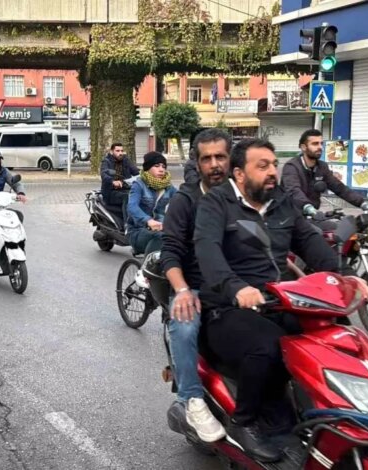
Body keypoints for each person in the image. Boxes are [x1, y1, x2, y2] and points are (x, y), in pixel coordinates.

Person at [194, 138, 368, 462]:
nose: (273, 171)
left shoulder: (281, 202)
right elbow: (208, 251)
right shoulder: (216, 204)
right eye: (263, 166)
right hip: (227, 307)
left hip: (280, 300)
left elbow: (310, 241)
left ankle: (332, 408)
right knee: (268, 344)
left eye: (274, 164)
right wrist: (236, 288)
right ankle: (243, 422)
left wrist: (345, 276)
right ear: (240, 174)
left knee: (335, 333)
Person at [160, 129, 231, 443]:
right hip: (197, 288)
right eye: (207, 158)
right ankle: (191, 400)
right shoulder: (185, 201)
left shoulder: (243, 194)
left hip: (238, 287)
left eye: (220, 157)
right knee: (185, 324)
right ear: (197, 163)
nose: (215, 164)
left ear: (231, 160)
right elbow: (170, 251)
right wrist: (183, 290)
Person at [281, 129, 366, 216]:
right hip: (290, 217)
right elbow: (294, 191)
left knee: (338, 227)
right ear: (303, 147)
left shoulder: (322, 167)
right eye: (315, 144)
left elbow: (340, 188)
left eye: (321, 143)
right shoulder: (292, 167)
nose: (320, 147)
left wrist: (363, 204)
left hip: (312, 216)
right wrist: (308, 208)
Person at [126, 152, 176, 256]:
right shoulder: (139, 185)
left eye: (163, 166)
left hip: (161, 228)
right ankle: (146, 270)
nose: (161, 169)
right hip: (138, 231)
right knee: (160, 237)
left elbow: (182, 200)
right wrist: (148, 220)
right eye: (156, 166)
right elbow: (132, 206)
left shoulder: (168, 187)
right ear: (148, 168)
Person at [100, 142, 139, 225]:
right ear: (111, 151)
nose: (120, 153)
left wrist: (146, 175)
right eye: (117, 151)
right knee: (127, 197)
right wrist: (113, 181)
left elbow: (136, 171)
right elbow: (104, 174)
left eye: (122, 151)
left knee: (139, 195)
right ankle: (127, 225)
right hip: (111, 192)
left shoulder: (125, 160)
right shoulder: (106, 161)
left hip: (125, 188)